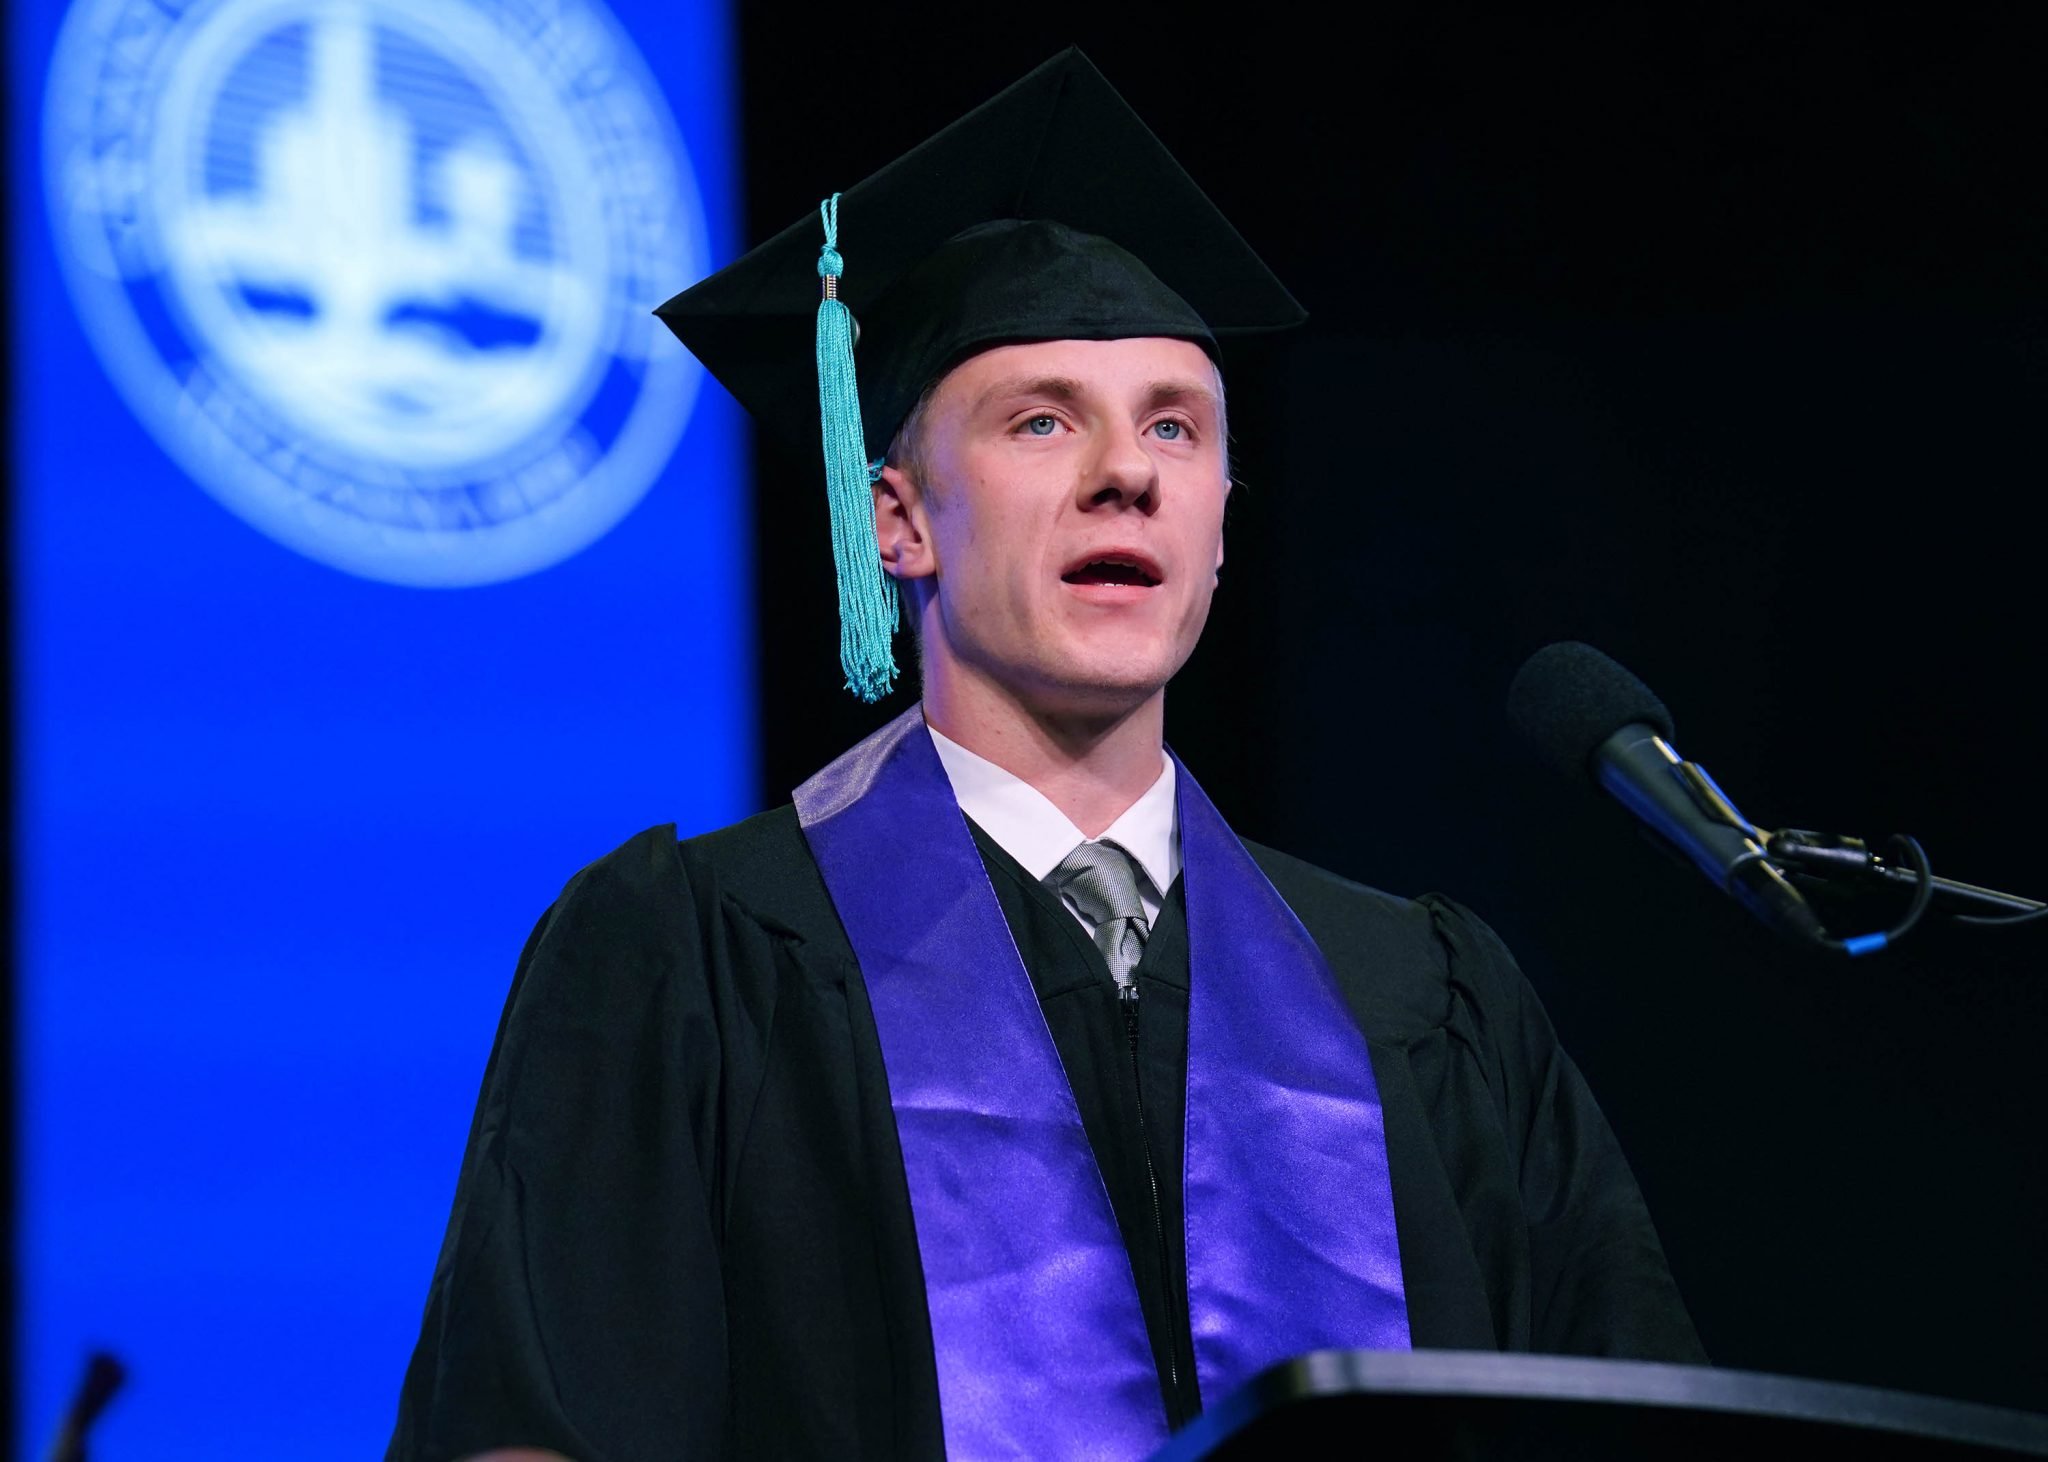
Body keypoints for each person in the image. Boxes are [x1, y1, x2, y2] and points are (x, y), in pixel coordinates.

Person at [388, 50, 1702, 1462]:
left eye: (1174, 427)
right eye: (1041, 419)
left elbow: (1633, 1420)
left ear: (1215, 524)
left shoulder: (1425, 997)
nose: (1126, 470)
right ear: (897, 522)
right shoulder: (697, 953)